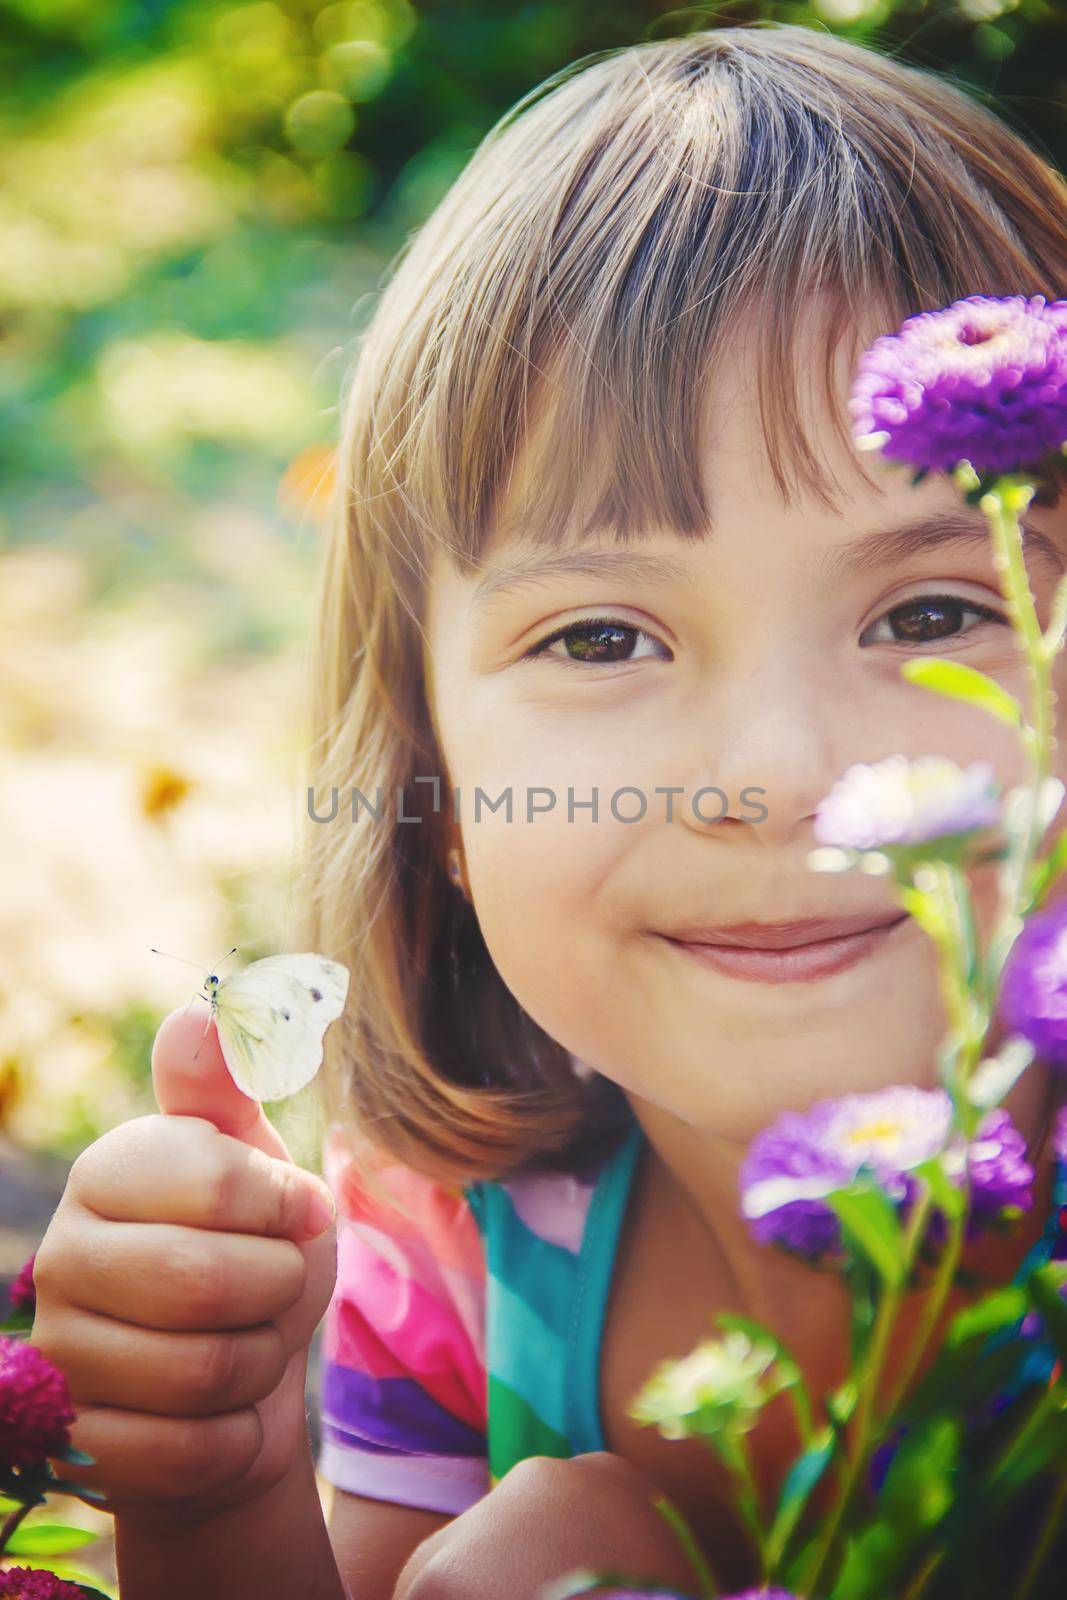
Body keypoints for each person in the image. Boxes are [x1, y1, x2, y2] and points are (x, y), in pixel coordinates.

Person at [26, 20, 1067, 1600]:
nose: (779, 771)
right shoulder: (458, 1244)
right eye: (601, 637)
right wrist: (221, 1494)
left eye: (930, 614)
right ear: (433, 785)